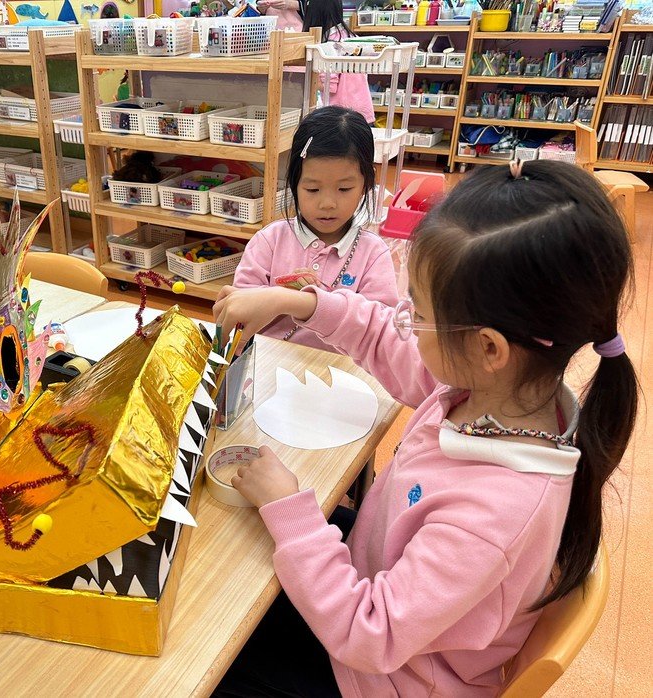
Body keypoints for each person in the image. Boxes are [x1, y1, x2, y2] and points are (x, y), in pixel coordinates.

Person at [212, 160, 638, 697]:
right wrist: (296, 301)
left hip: (382, 677)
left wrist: (289, 509)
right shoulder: (491, 391)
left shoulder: (494, 515)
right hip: (376, 586)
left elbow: (369, 633)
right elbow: (379, 336)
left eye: (418, 312)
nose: (405, 321)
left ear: (488, 347)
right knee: (235, 562)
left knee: (209, 645)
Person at [232, 107, 397, 353]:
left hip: (340, 370)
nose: (327, 203)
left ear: (366, 184)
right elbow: (240, 312)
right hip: (269, 361)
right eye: (312, 190)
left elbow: (382, 331)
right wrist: (282, 297)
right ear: (294, 182)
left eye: (344, 189)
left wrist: (316, 302)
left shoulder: (373, 254)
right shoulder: (270, 241)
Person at [302, 0, 375, 123]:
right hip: (361, 111)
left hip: (341, 118)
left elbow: (329, 86)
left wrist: (301, 79)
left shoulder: (330, 44)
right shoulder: (350, 37)